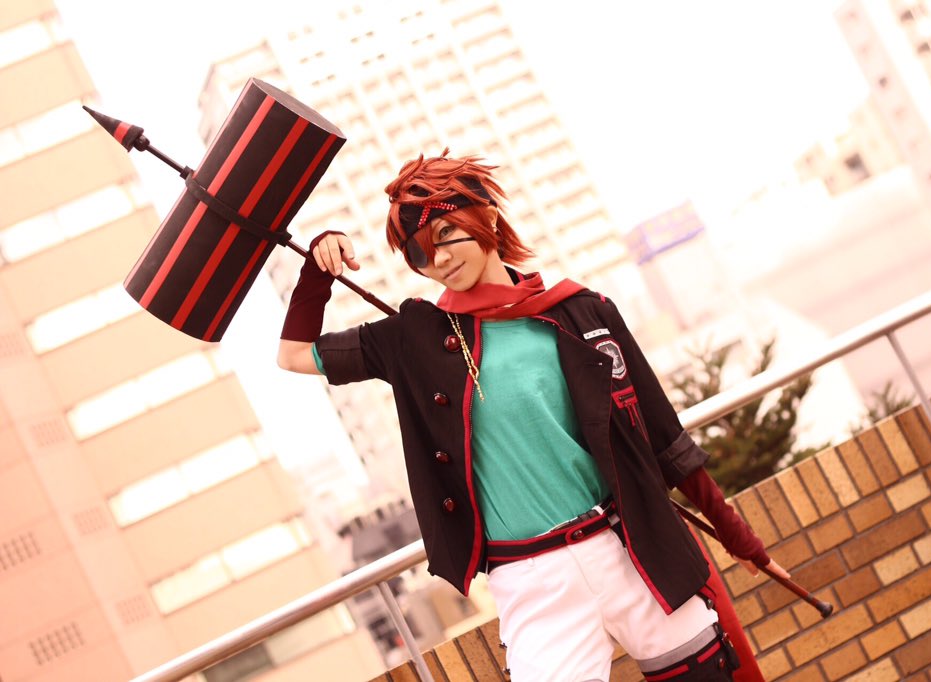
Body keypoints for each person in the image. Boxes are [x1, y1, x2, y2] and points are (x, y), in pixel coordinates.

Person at [277, 151, 788, 681]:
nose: (439, 260)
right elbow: (293, 355)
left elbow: (666, 440)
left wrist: (741, 540)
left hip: (629, 548)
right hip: (532, 580)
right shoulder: (414, 340)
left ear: (487, 216)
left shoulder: (582, 312)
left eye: (447, 234)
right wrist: (317, 272)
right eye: (420, 253)